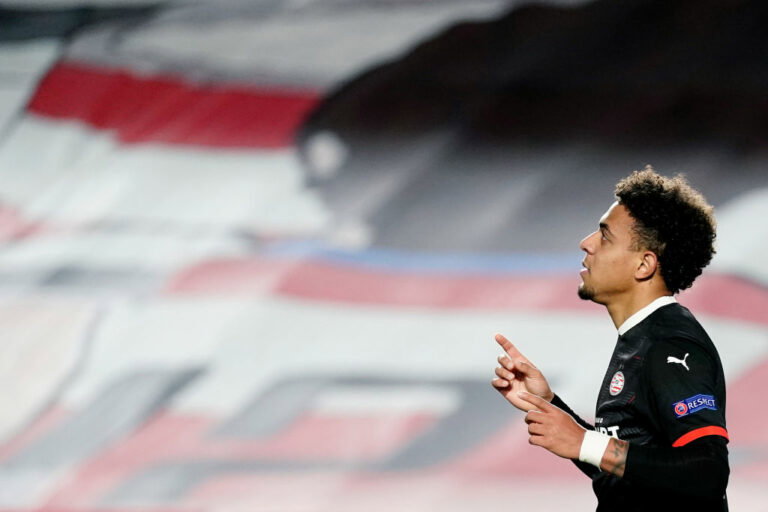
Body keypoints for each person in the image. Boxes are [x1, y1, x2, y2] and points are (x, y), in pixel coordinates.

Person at [491, 167, 729, 511]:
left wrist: (585, 442)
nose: (586, 243)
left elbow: (705, 475)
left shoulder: (671, 345)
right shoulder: (642, 335)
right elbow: (634, 472)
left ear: (644, 264)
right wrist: (550, 404)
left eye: (605, 236)